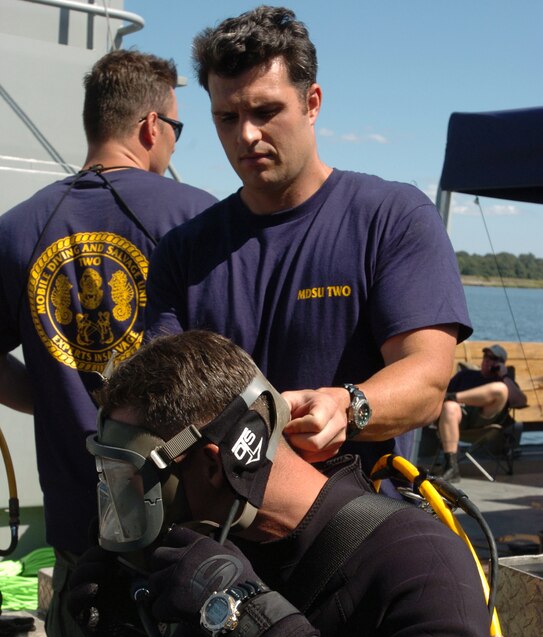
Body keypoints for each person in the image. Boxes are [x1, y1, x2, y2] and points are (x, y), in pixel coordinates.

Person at [65, 329, 499, 637]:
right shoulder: (227, 547)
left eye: (132, 483)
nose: (120, 509)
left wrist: (252, 620)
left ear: (215, 466)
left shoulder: (414, 558)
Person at [0, 49, 216, 637]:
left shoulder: (22, 226)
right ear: (152, 125)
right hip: (186, 515)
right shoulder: (193, 216)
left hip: (80, 520)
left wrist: (61, 407)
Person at [144, 5, 473, 480]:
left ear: (312, 102)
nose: (247, 134)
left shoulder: (392, 218)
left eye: (265, 111)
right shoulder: (183, 251)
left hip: (356, 524)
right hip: (222, 534)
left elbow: (426, 379)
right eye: (227, 117)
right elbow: (163, 400)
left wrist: (349, 405)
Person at [436, 343, 527, 481]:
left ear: (501, 363)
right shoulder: (466, 375)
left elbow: (520, 402)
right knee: (449, 407)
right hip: (460, 418)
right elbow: (442, 393)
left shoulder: (504, 381)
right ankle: (451, 467)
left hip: (486, 420)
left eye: (493, 358)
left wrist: (505, 376)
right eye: (486, 356)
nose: (487, 360)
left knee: (501, 389)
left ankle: (454, 398)